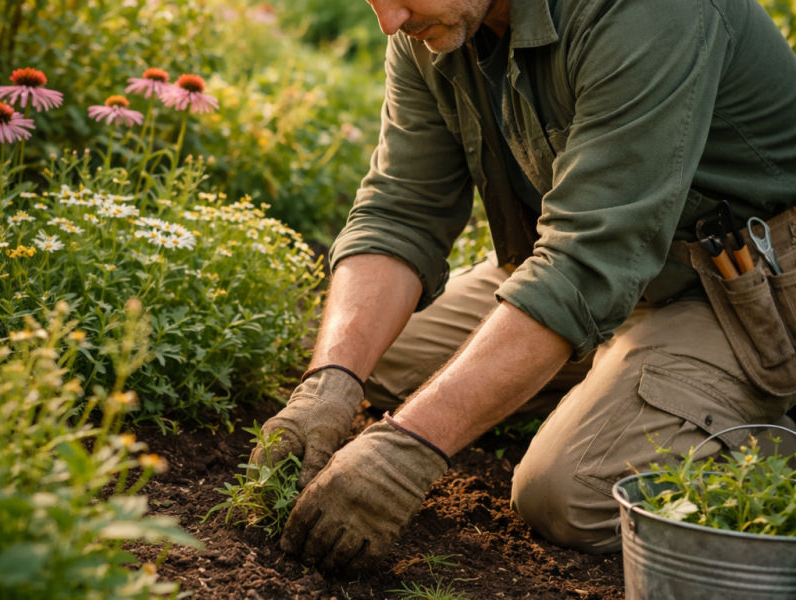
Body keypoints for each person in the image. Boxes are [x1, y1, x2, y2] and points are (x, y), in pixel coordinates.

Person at [249, 0, 796, 574]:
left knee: (568, 495)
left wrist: (406, 451)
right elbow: (400, 211)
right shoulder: (435, 23)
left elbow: (589, 259)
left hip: (735, 285)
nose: (388, 19)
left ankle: (759, 424)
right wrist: (329, 385)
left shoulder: (648, 10)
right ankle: (620, 381)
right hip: (593, 269)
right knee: (383, 364)